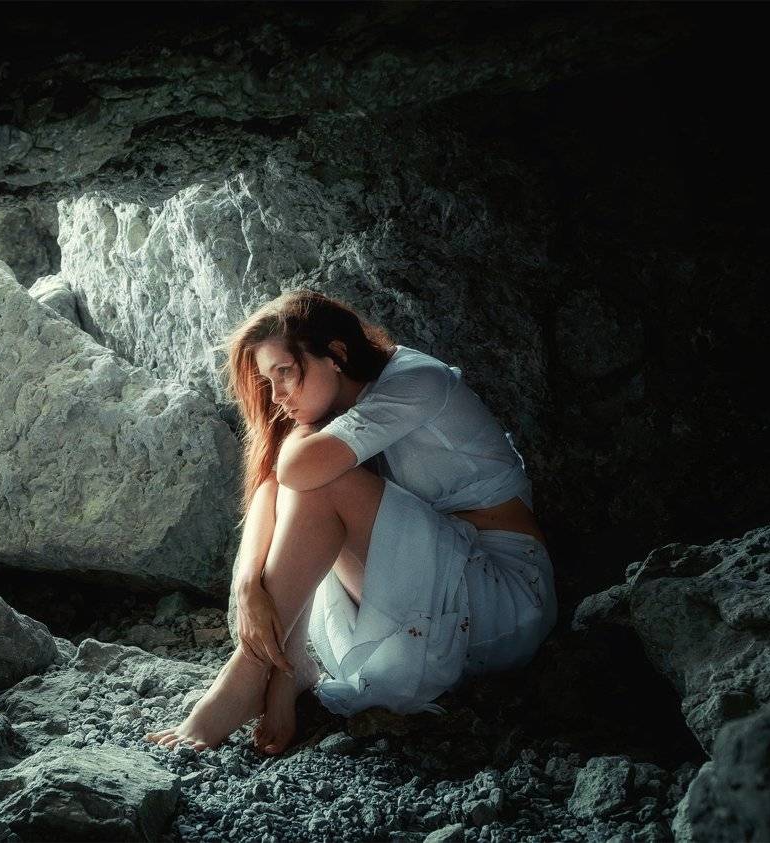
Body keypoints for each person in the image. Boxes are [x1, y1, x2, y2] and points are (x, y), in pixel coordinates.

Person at [144, 289, 557, 756]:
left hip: (503, 597)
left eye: (285, 372)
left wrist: (301, 433)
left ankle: (249, 675)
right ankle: (284, 667)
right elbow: (271, 490)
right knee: (309, 487)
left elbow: (295, 472)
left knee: (322, 483)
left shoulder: (415, 382)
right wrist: (246, 586)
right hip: (429, 587)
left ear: (336, 354)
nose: (277, 396)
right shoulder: (338, 406)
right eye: (269, 380)